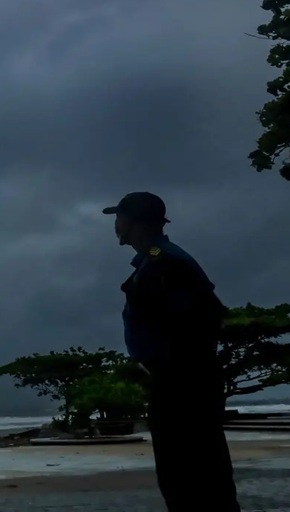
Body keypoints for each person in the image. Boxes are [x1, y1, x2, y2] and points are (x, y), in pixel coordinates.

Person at [103, 191, 241, 512]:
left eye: (119, 217)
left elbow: (196, 321)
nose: (115, 224)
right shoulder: (155, 259)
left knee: (191, 478)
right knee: (187, 476)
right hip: (180, 381)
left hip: (182, 384)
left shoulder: (164, 263)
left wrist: (167, 367)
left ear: (134, 222)